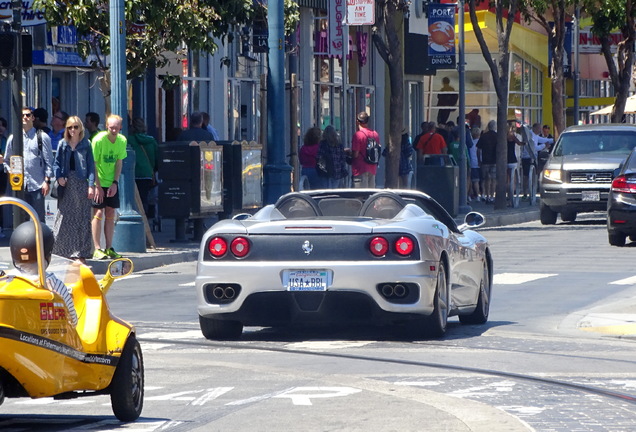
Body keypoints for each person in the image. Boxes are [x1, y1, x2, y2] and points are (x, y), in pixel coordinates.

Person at [9, 221, 78, 327]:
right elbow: (73, 321)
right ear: (46, 254)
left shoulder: (6, 280)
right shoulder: (54, 283)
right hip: (45, 338)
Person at [53, 116, 96, 263]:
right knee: (64, 217)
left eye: (75, 127)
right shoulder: (62, 144)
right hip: (66, 184)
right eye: (70, 127)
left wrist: (91, 185)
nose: (72, 130)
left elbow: (91, 166)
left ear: (80, 129)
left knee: (82, 218)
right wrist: (59, 177)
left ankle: (81, 253)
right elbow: (56, 163)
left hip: (81, 183)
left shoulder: (86, 144)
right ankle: (63, 251)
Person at [4, 107, 54, 222]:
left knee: (38, 219)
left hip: (37, 184)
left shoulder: (42, 137)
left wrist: (46, 182)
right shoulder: (13, 138)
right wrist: (10, 171)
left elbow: (49, 162)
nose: (25, 118)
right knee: (21, 218)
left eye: (27, 115)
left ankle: (39, 240)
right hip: (20, 184)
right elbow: (7, 160)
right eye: (22, 116)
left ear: (33, 118)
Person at [91, 114, 127, 260]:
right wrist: (97, 186)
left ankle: (109, 247)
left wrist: (115, 183)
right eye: (111, 127)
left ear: (120, 128)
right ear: (106, 126)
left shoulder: (122, 140)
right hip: (98, 180)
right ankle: (97, 248)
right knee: (98, 213)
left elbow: (119, 162)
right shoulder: (98, 140)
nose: (113, 130)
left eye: (116, 128)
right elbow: (93, 163)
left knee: (111, 212)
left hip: (111, 181)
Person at [128, 117, 159, 218]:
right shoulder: (151, 140)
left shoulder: (128, 140)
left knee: (133, 198)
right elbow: (157, 157)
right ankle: (145, 218)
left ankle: (138, 216)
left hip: (133, 173)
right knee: (144, 197)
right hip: (147, 173)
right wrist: (154, 170)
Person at [522, 122, 554, 198]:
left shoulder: (535, 136)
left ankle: (532, 191)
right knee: (526, 176)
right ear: (534, 128)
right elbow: (535, 148)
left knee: (534, 175)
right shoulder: (531, 135)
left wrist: (554, 139)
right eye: (539, 129)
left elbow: (543, 140)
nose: (540, 131)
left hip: (533, 157)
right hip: (527, 157)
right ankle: (525, 193)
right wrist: (544, 145)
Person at [350, 111, 380, 188]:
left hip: (360, 169)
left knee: (359, 197)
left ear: (357, 121)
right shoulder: (375, 134)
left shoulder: (358, 135)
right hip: (372, 168)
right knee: (370, 197)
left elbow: (355, 154)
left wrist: (347, 152)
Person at [476, 120, 498, 203]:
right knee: (493, 179)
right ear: (495, 127)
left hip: (485, 160)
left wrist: (479, 160)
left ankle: (486, 195)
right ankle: (492, 196)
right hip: (495, 161)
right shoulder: (497, 136)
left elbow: (478, 149)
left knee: (485, 179)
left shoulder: (484, 136)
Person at [506, 123, 525, 202]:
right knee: (513, 177)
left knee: (507, 178)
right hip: (512, 158)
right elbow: (519, 143)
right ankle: (512, 191)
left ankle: (507, 192)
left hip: (504, 159)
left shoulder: (502, 137)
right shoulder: (512, 137)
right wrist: (525, 143)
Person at [468, 126, 482, 201]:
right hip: (481, 163)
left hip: (473, 163)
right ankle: (481, 194)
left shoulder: (471, 143)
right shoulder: (481, 142)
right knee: (482, 180)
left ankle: (474, 195)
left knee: (473, 180)